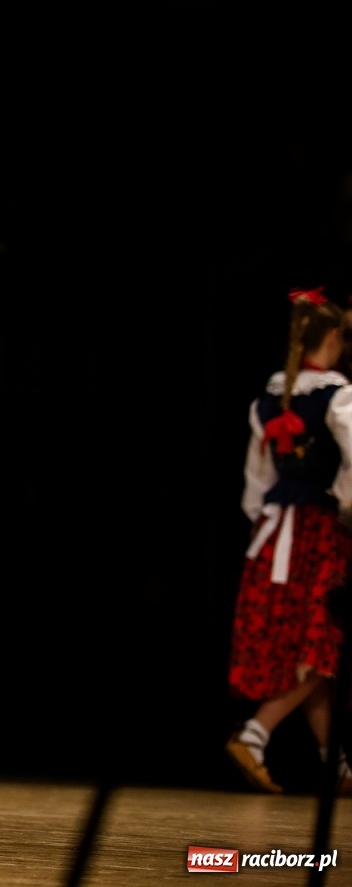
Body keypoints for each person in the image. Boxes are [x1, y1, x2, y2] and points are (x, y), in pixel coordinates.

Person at [226, 289, 352, 794]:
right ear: (335, 340)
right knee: (323, 641)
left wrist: (266, 522)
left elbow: (255, 484)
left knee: (309, 646)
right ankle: (255, 735)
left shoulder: (268, 399)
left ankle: (337, 763)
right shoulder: (338, 396)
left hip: (277, 531)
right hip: (321, 530)